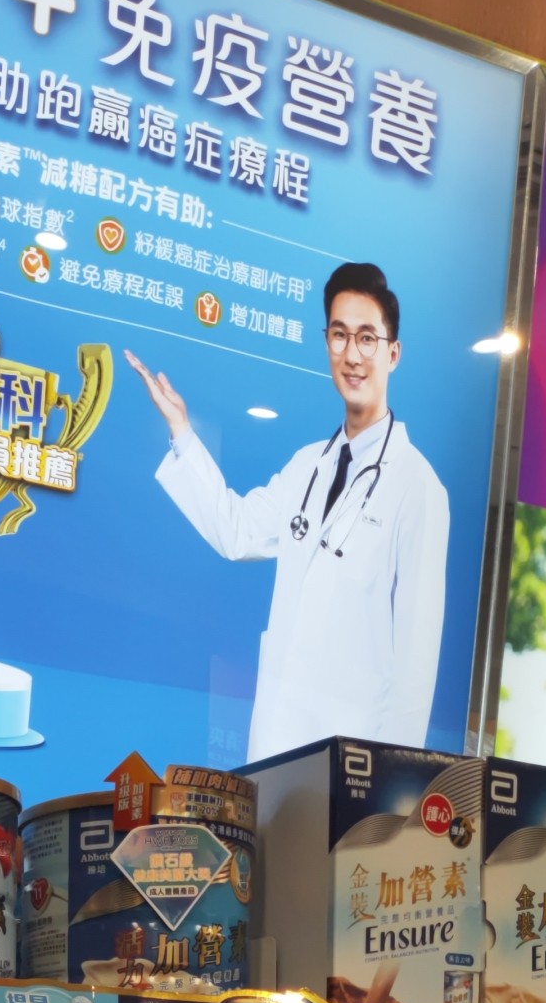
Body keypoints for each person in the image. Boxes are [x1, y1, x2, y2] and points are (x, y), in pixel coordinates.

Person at [127, 261, 450, 761]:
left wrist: (391, 783)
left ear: (393, 353)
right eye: (339, 336)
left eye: (367, 338)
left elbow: (415, 665)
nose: (352, 355)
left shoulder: (418, 487)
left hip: (354, 764)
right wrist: (182, 432)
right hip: (277, 746)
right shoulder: (306, 467)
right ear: (326, 344)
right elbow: (235, 531)